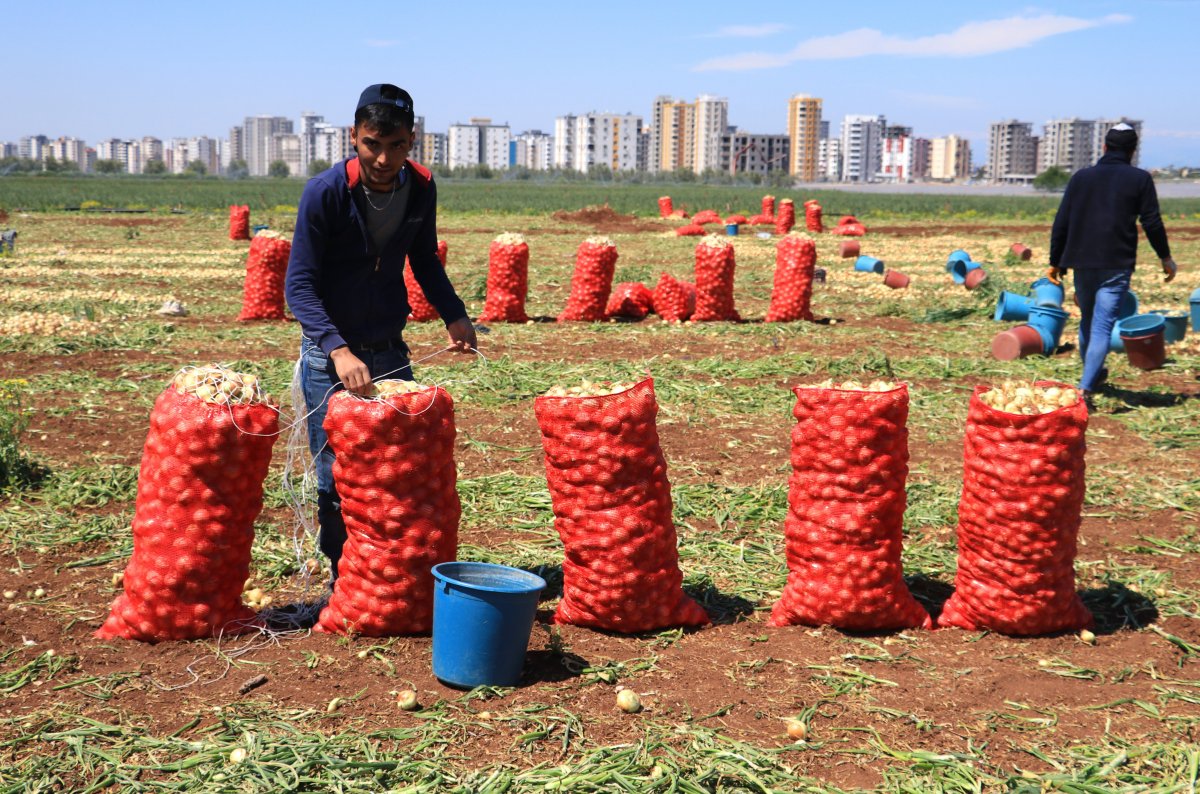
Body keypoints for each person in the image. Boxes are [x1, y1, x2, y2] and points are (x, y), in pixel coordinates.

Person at [285, 83, 477, 581]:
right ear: (354, 136)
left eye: (396, 145)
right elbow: (300, 287)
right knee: (337, 478)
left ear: (412, 140)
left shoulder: (420, 187)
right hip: (330, 360)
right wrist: (338, 349)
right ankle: (343, 580)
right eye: (373, 143)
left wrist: (454, 313)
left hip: (391, 352)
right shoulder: (325, 193)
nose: (384, 157)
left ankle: (395, 576)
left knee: (401, 472)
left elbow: (424, 259)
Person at [1047, 123, 1178, 405]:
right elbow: (1152, 222)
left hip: (1081, 261)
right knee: (1103, 327)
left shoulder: (1081, 178)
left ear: (1104, 147)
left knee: (1088, 320)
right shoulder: (1140, 179)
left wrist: (1054, 261)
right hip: (1116, 263)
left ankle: (1091, 376)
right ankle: (1085, 388)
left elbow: (1062, 222)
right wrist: (1165, 257)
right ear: (1132, 151)